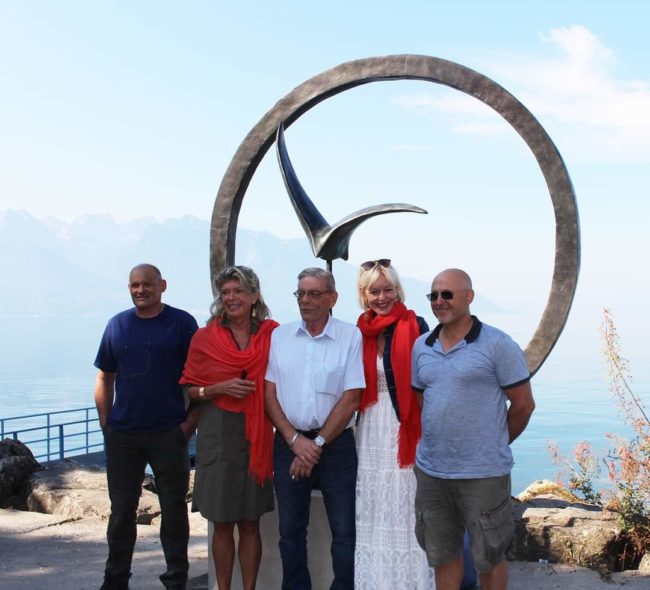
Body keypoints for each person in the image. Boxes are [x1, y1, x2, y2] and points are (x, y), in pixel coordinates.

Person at [411, 269, 535, 590]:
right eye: (434, 295)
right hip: (433, 473)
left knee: (489, 560)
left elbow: (523, 405)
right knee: (442, 556)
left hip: (483, 475)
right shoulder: (422, 346)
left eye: (447, 294)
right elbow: (423, 399)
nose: (439, 301)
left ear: (468, 297)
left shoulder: (497, 345)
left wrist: (493, 443)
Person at [94, 263, 199, 590]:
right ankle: (115, 581)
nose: (141, 290)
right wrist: (106, 423)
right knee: (122, 511)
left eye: (147, 285)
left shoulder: (182, 324)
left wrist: (187, 427)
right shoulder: (118, 325)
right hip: (124, 435)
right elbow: (104, 376)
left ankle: (176, 580)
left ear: (162, 286)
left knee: (173, 510)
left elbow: (200, 378)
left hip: (169, 433)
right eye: (134, 285)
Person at [264, 267, 365, 590]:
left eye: (314, 293)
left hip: (336, 448)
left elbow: (351, 398)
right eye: (301, 294)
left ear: (332, 298)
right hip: (288, 444)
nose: (305, 301)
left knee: (345, 531)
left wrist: (316, 444)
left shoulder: (350, 336)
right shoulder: (280, 336)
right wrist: (296, 441)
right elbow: (269, 395)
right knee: (290, 531)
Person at [179, 266, 277, 590]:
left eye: (238, 291)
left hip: (256, 437)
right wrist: (217, 388)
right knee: (221, 524)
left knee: (250, 523)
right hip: (216, 436)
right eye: (225, 293)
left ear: (254, 296)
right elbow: (188, 390)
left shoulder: (273, 335)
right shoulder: (204, 338)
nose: (231, 298)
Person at [353, 258, 433, 589]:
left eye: (388, 289)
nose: (383, 297)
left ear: (397, 291)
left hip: (406, 426)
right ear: (364, 295)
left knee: (406, 505)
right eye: (375, 291)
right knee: (373, 507)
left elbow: (430, 379)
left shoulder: (417, 326)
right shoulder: (359, 331)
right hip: (371, 426)